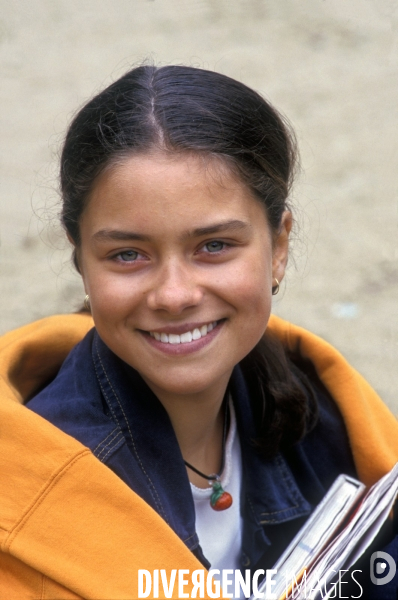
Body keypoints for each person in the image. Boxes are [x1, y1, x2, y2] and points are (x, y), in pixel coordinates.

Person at [0, 65, 397, 600]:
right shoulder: (31, 504)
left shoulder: (330, 419)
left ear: (278, 246)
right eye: (127, 254)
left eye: (214, 246)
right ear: (79, 257)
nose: (174, 294)